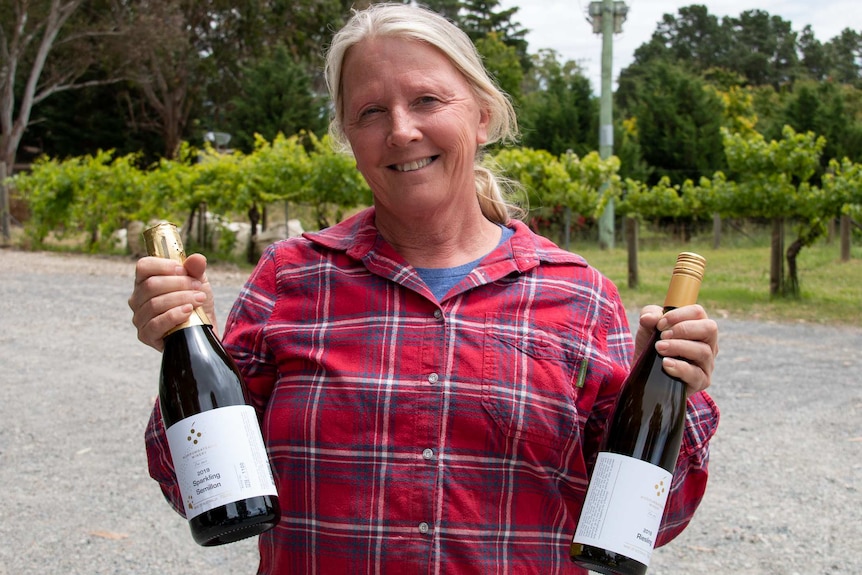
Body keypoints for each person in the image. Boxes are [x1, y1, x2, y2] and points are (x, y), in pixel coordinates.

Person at [129, 3, 719, 573]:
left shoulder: (579, 297)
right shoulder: (289, 278)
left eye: (427, 100)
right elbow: (199, 493)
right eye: (370, 112)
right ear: (349, 137)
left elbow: (653, 521)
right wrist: (183, 340)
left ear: (482, 115)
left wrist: (671, 387)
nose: (402, 130)